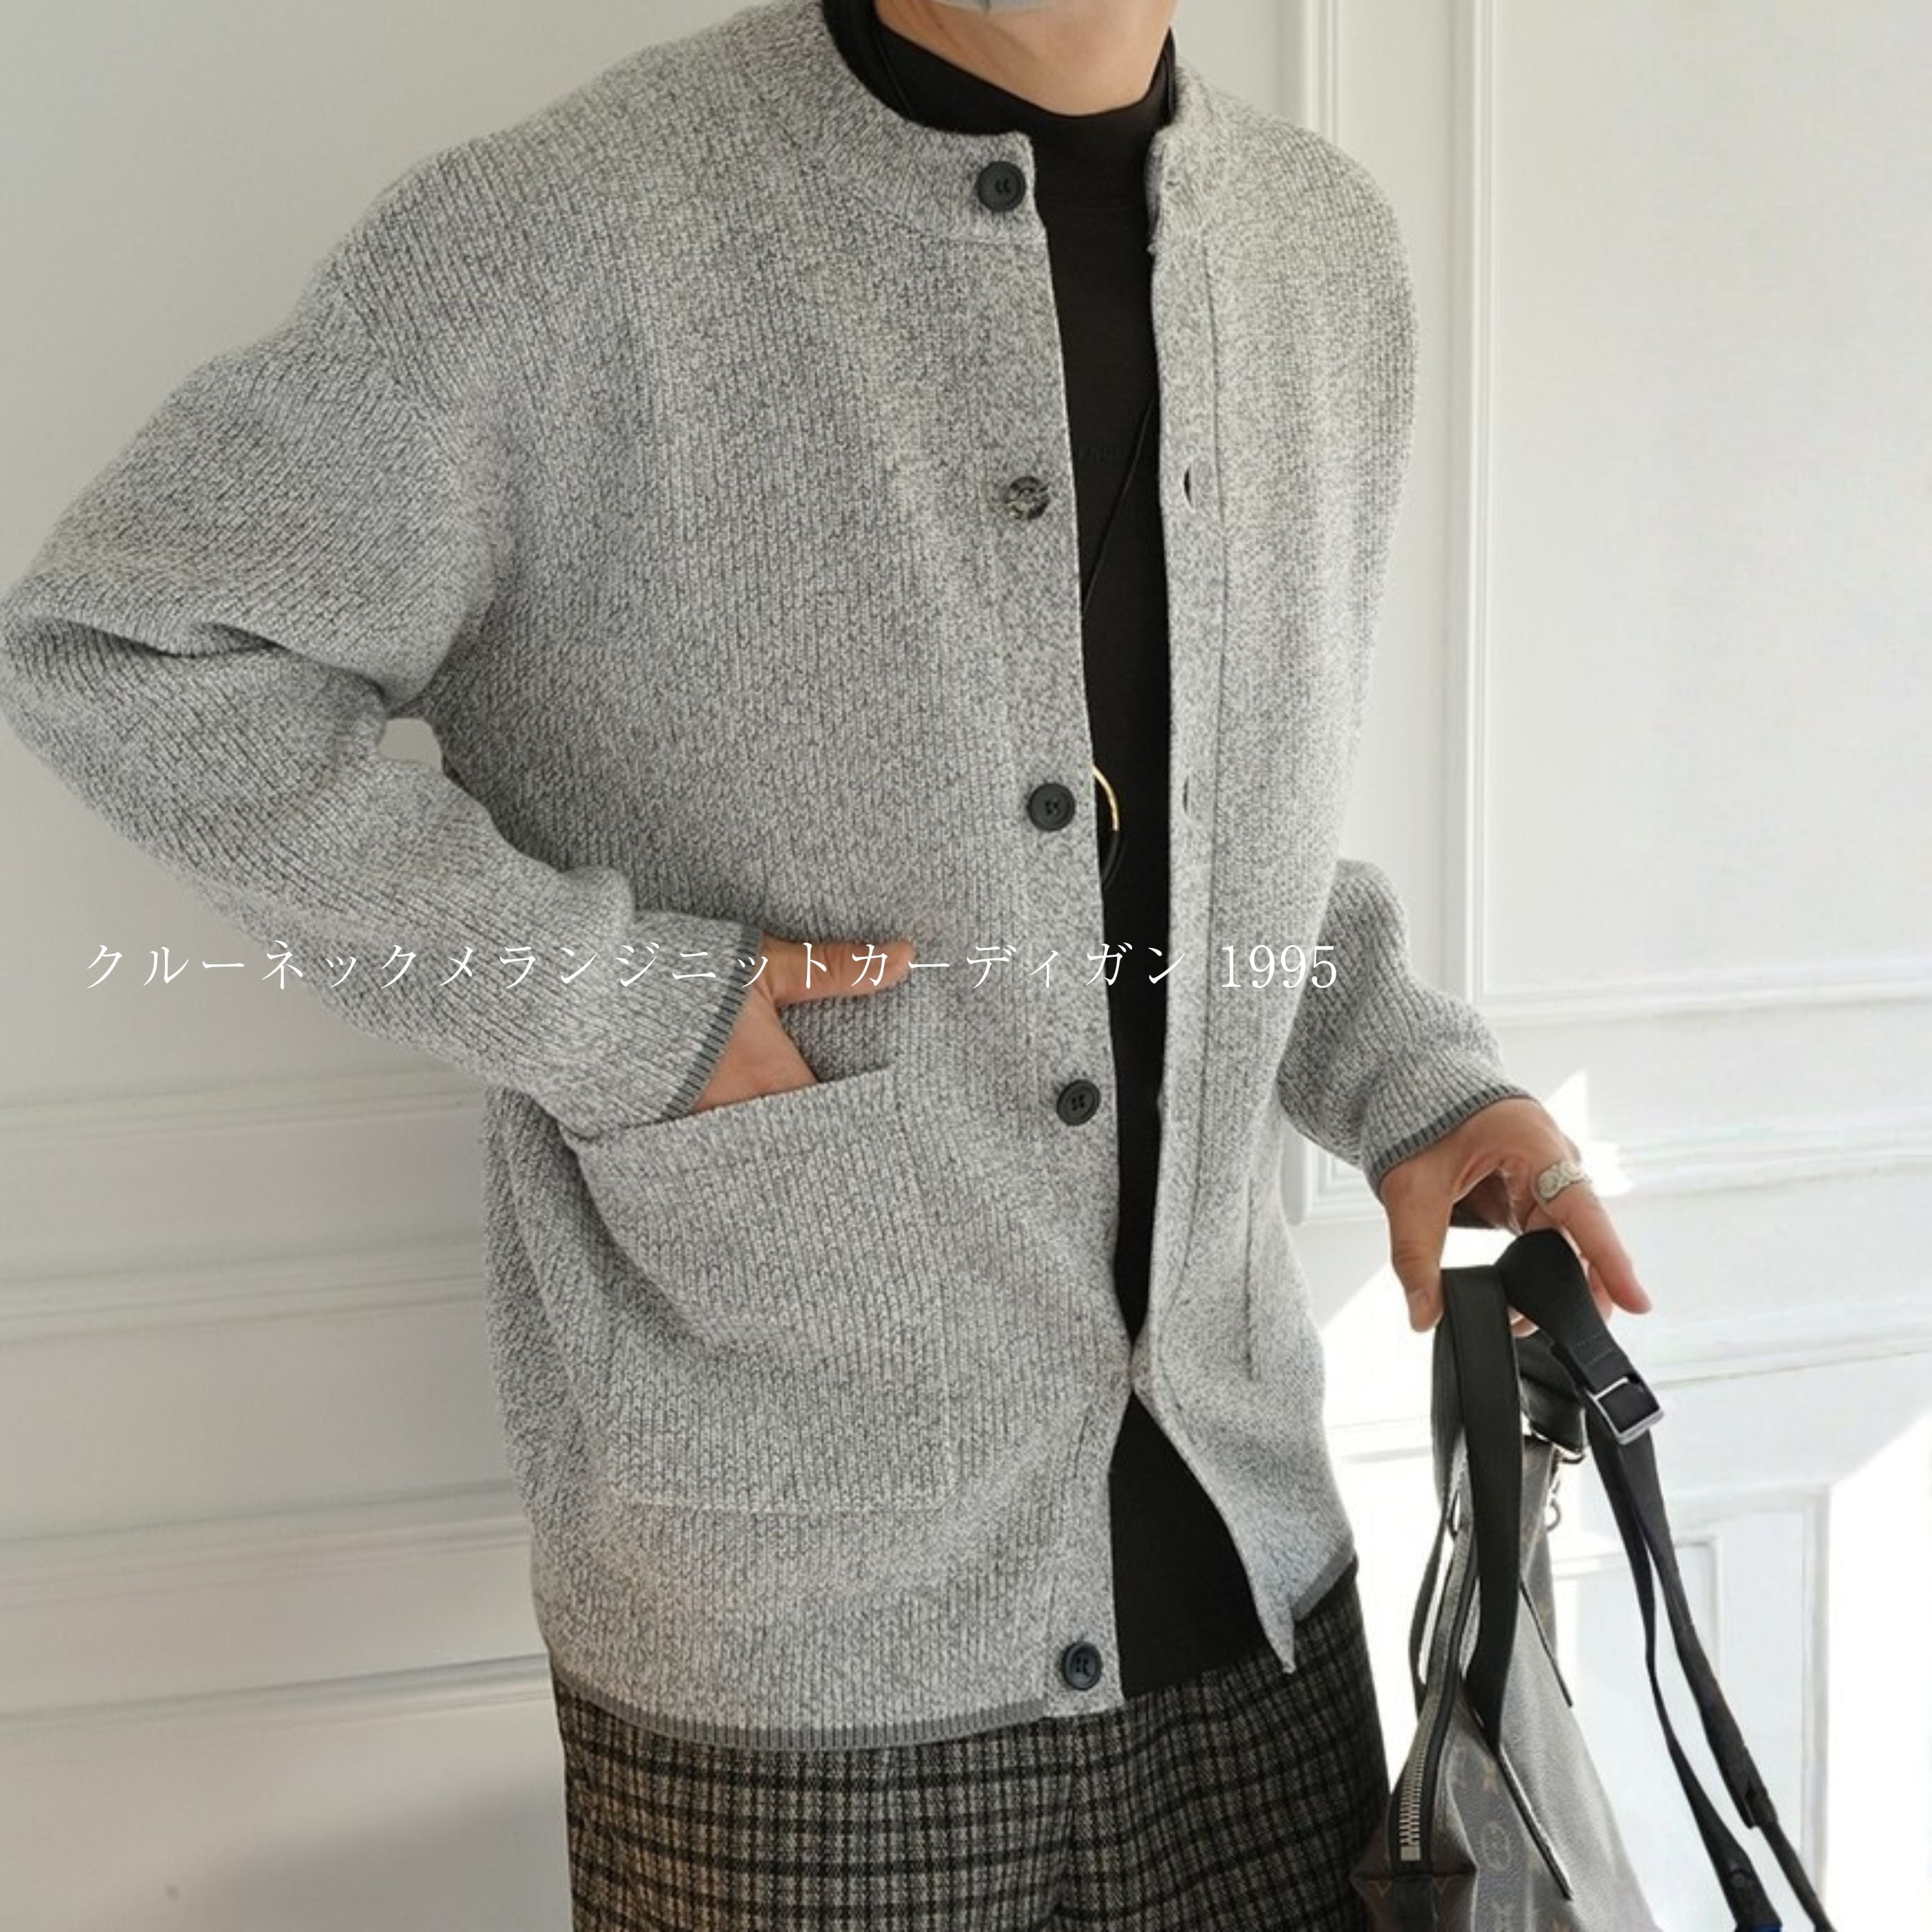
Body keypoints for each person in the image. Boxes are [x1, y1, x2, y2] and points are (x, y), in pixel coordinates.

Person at [0, 0, 1651, 1922]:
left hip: (1252, 1586)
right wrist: (616, 1011)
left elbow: (1207, 817)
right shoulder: (563, 236)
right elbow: (129, 645)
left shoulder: (1323, 256)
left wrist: (1408, 1080)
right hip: (792, 1655)